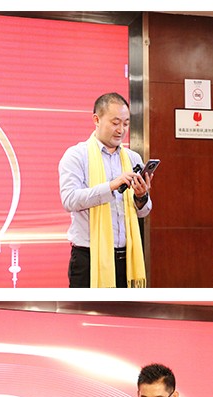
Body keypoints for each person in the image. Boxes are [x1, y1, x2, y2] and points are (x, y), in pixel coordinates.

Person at [59, 92, 153, 288]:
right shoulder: (76, 155)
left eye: (126, 123)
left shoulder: (133, 158)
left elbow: (144, 211)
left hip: (126, 258)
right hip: (88, 257)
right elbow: (69, 200)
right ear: (96, 119)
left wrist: (141, 196)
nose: (121, 130)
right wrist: (110, 186)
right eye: (115, 123)